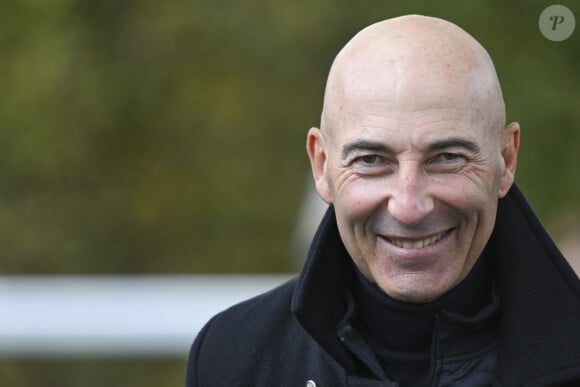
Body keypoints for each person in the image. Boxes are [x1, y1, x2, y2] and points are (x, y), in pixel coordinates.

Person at [185, 15, 580, 386]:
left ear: (505, 159)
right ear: (321, 166)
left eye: (447, 158)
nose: (408, 207)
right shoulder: (235, 359)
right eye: (371, 160)